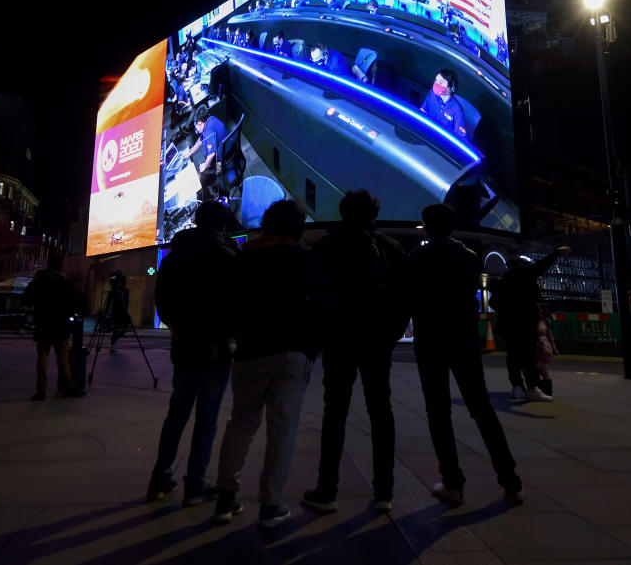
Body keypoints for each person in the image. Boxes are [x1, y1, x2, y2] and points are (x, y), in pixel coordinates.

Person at [213, 200, 327, 528]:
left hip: (251, 351)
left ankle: (225, 497)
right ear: (297, 228)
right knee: (283, 430)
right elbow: (322, 308)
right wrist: (311, 348)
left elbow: (229, 304)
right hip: (292, 352)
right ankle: (271, 504)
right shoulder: (305, 259)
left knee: (241, 423)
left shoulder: (245, 257)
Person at [407, 203, 524, 506]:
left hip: (430, 340)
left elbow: (410, 299)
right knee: (481, 407)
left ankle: (452, 482)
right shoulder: (470, 259)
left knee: (438, 410)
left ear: (425, 226)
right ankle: (510, 480)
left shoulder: (417, 258)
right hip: (463, 340)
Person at [303, 190, 407, 514]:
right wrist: (391, 336)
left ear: (343, 211)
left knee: (334, 413)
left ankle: (327, 490)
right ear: (374, 214)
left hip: (339, 340)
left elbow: (314, 297)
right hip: (377, 341)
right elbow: (404, 299)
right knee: (381, 411)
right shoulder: (390, 248)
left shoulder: (325, 246)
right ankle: (384, 493)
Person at [147, 202, 239, 506]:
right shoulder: (228, 257)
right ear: (223, 225)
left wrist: (180, 331)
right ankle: (195, 485)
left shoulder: (175, 256)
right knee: (206, 418)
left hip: (184, 347)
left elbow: (162, 301)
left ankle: (159, 478)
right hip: (216, 350)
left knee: (177, 413)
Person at [487, 247, 571, 402]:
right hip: (525, 323)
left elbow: (493, 302)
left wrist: (506, 312)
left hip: (508, 325)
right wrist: (556, 253)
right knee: (528, 356)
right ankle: (532, 387)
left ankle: (517, 387)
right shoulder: (524, 276)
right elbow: (540, 267)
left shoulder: (502, 281)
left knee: (513, 355)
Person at [22, 253, 78, 401]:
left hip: (43, 324)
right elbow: (74, 303)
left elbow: (26, 299)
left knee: (42, 357)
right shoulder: (64, 282)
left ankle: (41, 389)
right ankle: (67, 386)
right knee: (63, 358)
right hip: (60, 325)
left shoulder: (38, 281)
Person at [186, 108, 227, 201]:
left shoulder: (208, 131)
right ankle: (214, 187)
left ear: (199, 123)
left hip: (222, 161)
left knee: (201, 176)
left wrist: (205, 166)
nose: (195, 128)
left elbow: (212, 154)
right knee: (204, 165)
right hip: (227, 151)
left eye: (195, 125)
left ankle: (209, 199)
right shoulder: (210, 119)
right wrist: (189, 153)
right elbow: (201, 140)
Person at [421, 69, 467, 138]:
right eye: (436, 80)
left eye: (441, 82)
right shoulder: (432, 94)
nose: (436, 84)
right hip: (426, 134)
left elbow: (460, 138)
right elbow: (422, 112)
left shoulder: (457, 110)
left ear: (451, 88)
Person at [535, 302, 558, 396]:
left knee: (541, 367)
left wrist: (554, 347)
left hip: (542, 346)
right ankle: (542, 387)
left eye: (541, 309)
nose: (540, 311)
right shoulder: (537, 320)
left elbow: (550, 335)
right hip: (537, 345)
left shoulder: (545, 321)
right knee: (538, 367)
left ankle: (545, 388)